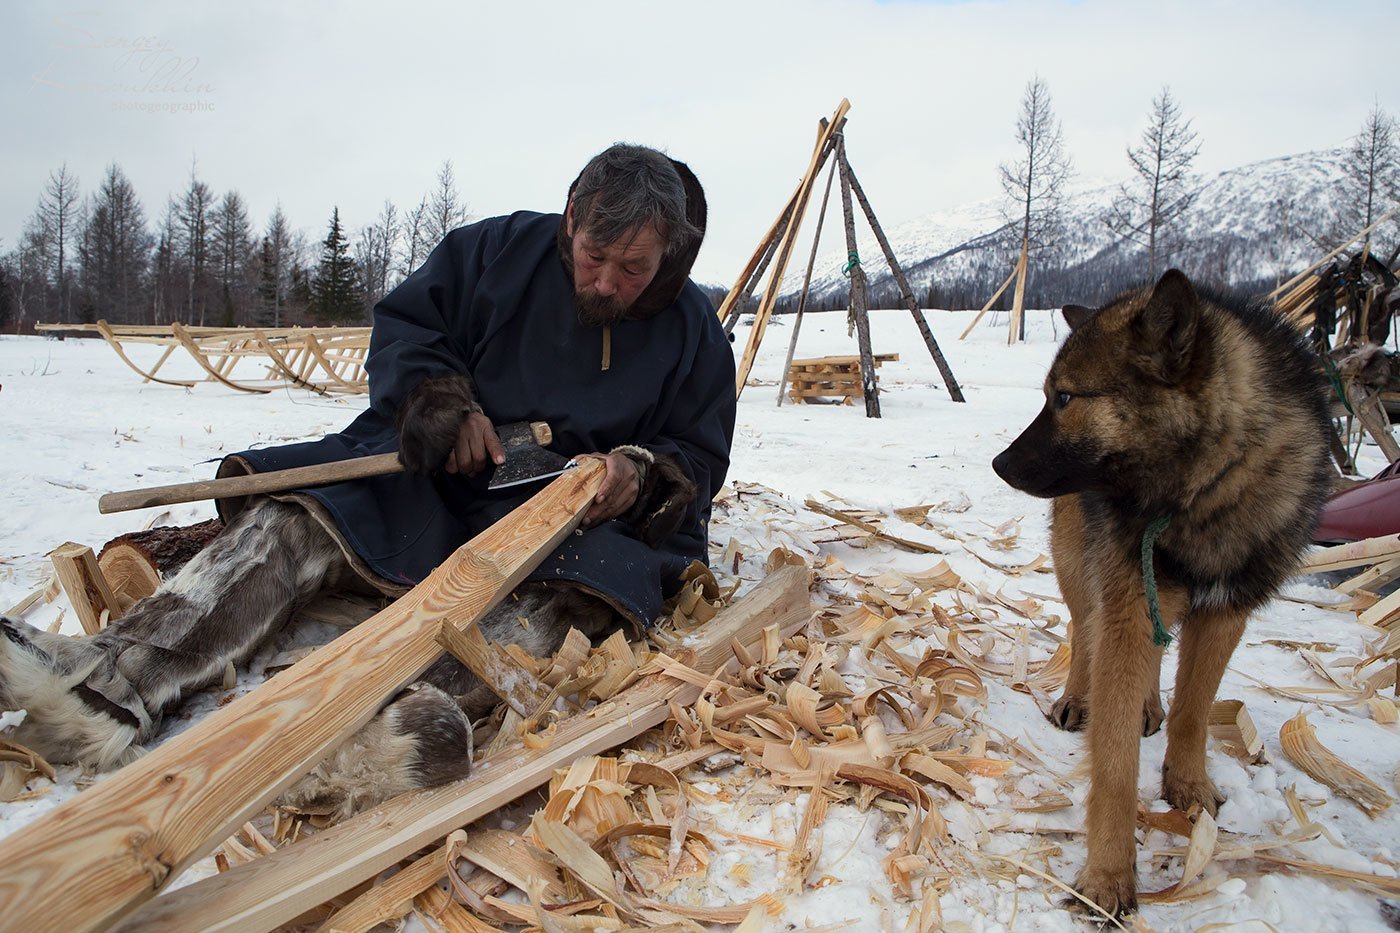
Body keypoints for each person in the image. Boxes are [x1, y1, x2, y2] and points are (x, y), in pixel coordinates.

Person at [0, 144, 736, 816]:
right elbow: (410, 330)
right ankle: (110, 686)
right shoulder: (495, 252)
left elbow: (698, 457)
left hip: (572, 529)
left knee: (575, 604)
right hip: (452, 481)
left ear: (666, 253)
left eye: (632, 270)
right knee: (302, 512)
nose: (606, 282)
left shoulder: (695, 332)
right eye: (593, 256)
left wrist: (635, 473)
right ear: (571, 217)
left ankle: (375, 744)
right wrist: (439, 401)